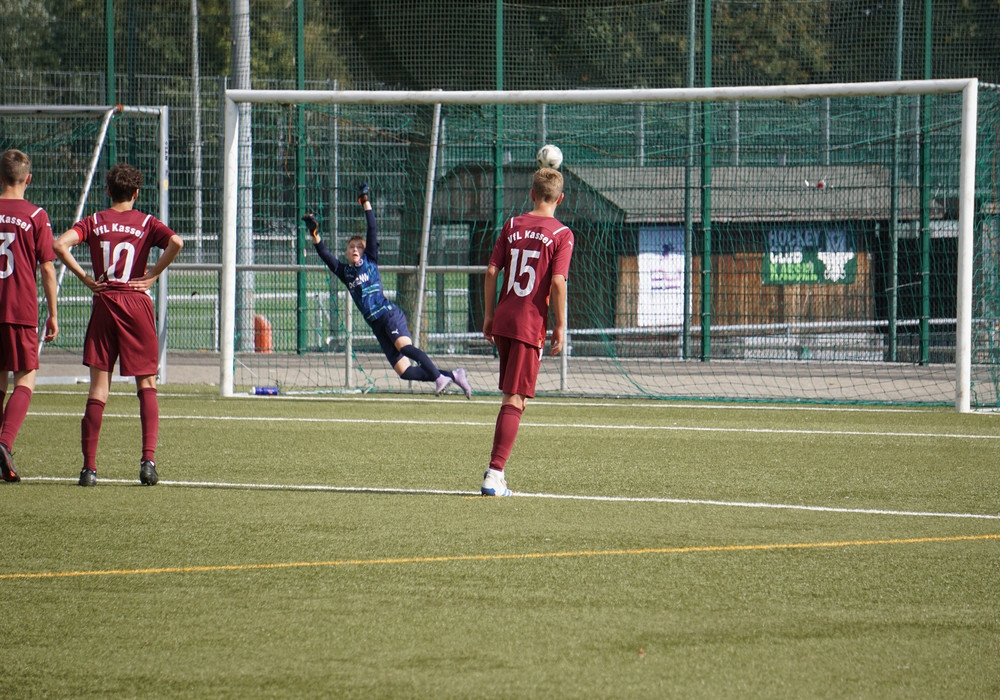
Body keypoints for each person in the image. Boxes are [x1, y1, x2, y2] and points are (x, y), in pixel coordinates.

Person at [53, 163, 183, 487]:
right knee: (147, 384)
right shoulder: (147, 222)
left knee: (99, 388)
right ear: (136, 193)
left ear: (108, 191)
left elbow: (59, 244)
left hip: (105, 301)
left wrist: (85, 278)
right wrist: (152, 274)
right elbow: (177, 243)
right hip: (136, 303)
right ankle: (148, 461)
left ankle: (88, 469)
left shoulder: (95, 221)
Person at [302, 183, 472, 398]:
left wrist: (365, 202)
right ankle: (454, 375)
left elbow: (372, 228)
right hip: (376, 324)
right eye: (351, 247)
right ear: (346, 252)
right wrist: (314, 233)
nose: (355, 249)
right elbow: (325, 255)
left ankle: (439, 378)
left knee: (404, 347)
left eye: (359, 246)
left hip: (388, 313)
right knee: (405, 371)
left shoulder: (370, 260)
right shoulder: (345, 272)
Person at [480, 167, 574, 496]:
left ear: (531, 194)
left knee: (514, 398)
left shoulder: (512, 225)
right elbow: (559, 283)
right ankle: (494, 473)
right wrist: (560, 326)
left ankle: (497, 473)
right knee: (515, 398)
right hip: (528, 323)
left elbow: (492, 271)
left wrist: (489, 315)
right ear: (560, 199)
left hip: (505, 318)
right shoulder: (562, 234)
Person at [0, 150, 59, 483]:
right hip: (20, 308)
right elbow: (47, 269)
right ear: (28, 178)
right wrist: (53, 314)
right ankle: (4, 443)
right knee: (25, 378)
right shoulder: (36, 215)